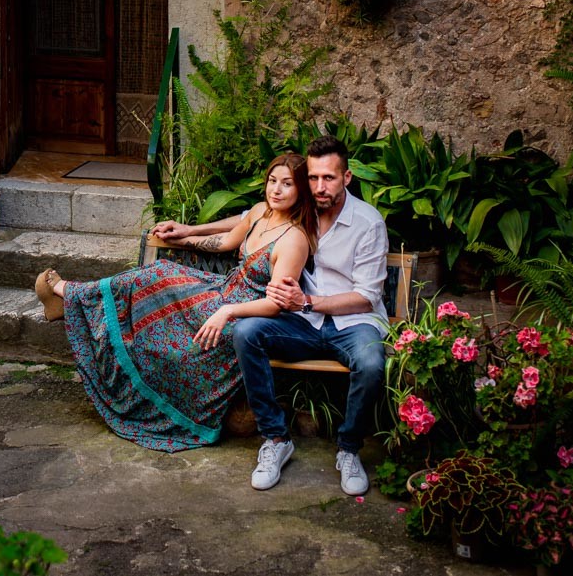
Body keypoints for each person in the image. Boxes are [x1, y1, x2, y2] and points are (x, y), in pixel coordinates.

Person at [152, 135, 388, 495]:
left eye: (328, 178)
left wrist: (306, 301)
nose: (320, 187)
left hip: (351, 323)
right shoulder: (303, 206)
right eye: (313, 177)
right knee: (247, 332)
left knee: (370, 364)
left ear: (347, 177)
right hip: (302, 322)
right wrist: (190, 230)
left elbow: (366, 297)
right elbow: (250, 217)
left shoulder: (367, 223)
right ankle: (276, 439)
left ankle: (349, 449)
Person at [33, 154, 317, 452]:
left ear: (301, 189)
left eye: (287, 184)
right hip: (223, 291)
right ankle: (74, 296)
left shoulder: (293, 240)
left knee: (166, 330)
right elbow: (224, 242)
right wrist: (182, 234)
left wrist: (227, 311)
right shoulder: (260, 212)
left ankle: (70, 296)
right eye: (272, 181)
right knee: (158, 273)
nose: (276, 190)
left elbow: (275, 304)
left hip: (246, 315)